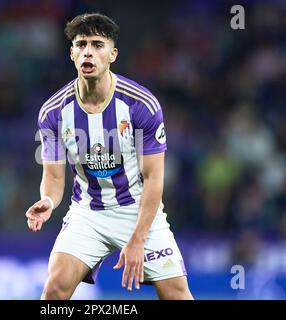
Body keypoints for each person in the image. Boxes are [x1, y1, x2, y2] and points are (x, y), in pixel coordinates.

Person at [25, 13, 193, 300]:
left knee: (176, 295)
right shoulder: (53, 112)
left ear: (112, 54)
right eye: (81, 44)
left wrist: (138, 238)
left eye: (97, 44)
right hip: (88, 212)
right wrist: (49, 200)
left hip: (138, 210)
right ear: (72, 53)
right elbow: (53, 176)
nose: (88, 51)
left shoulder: (141, 104)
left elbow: (154, 178)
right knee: (54, 289)